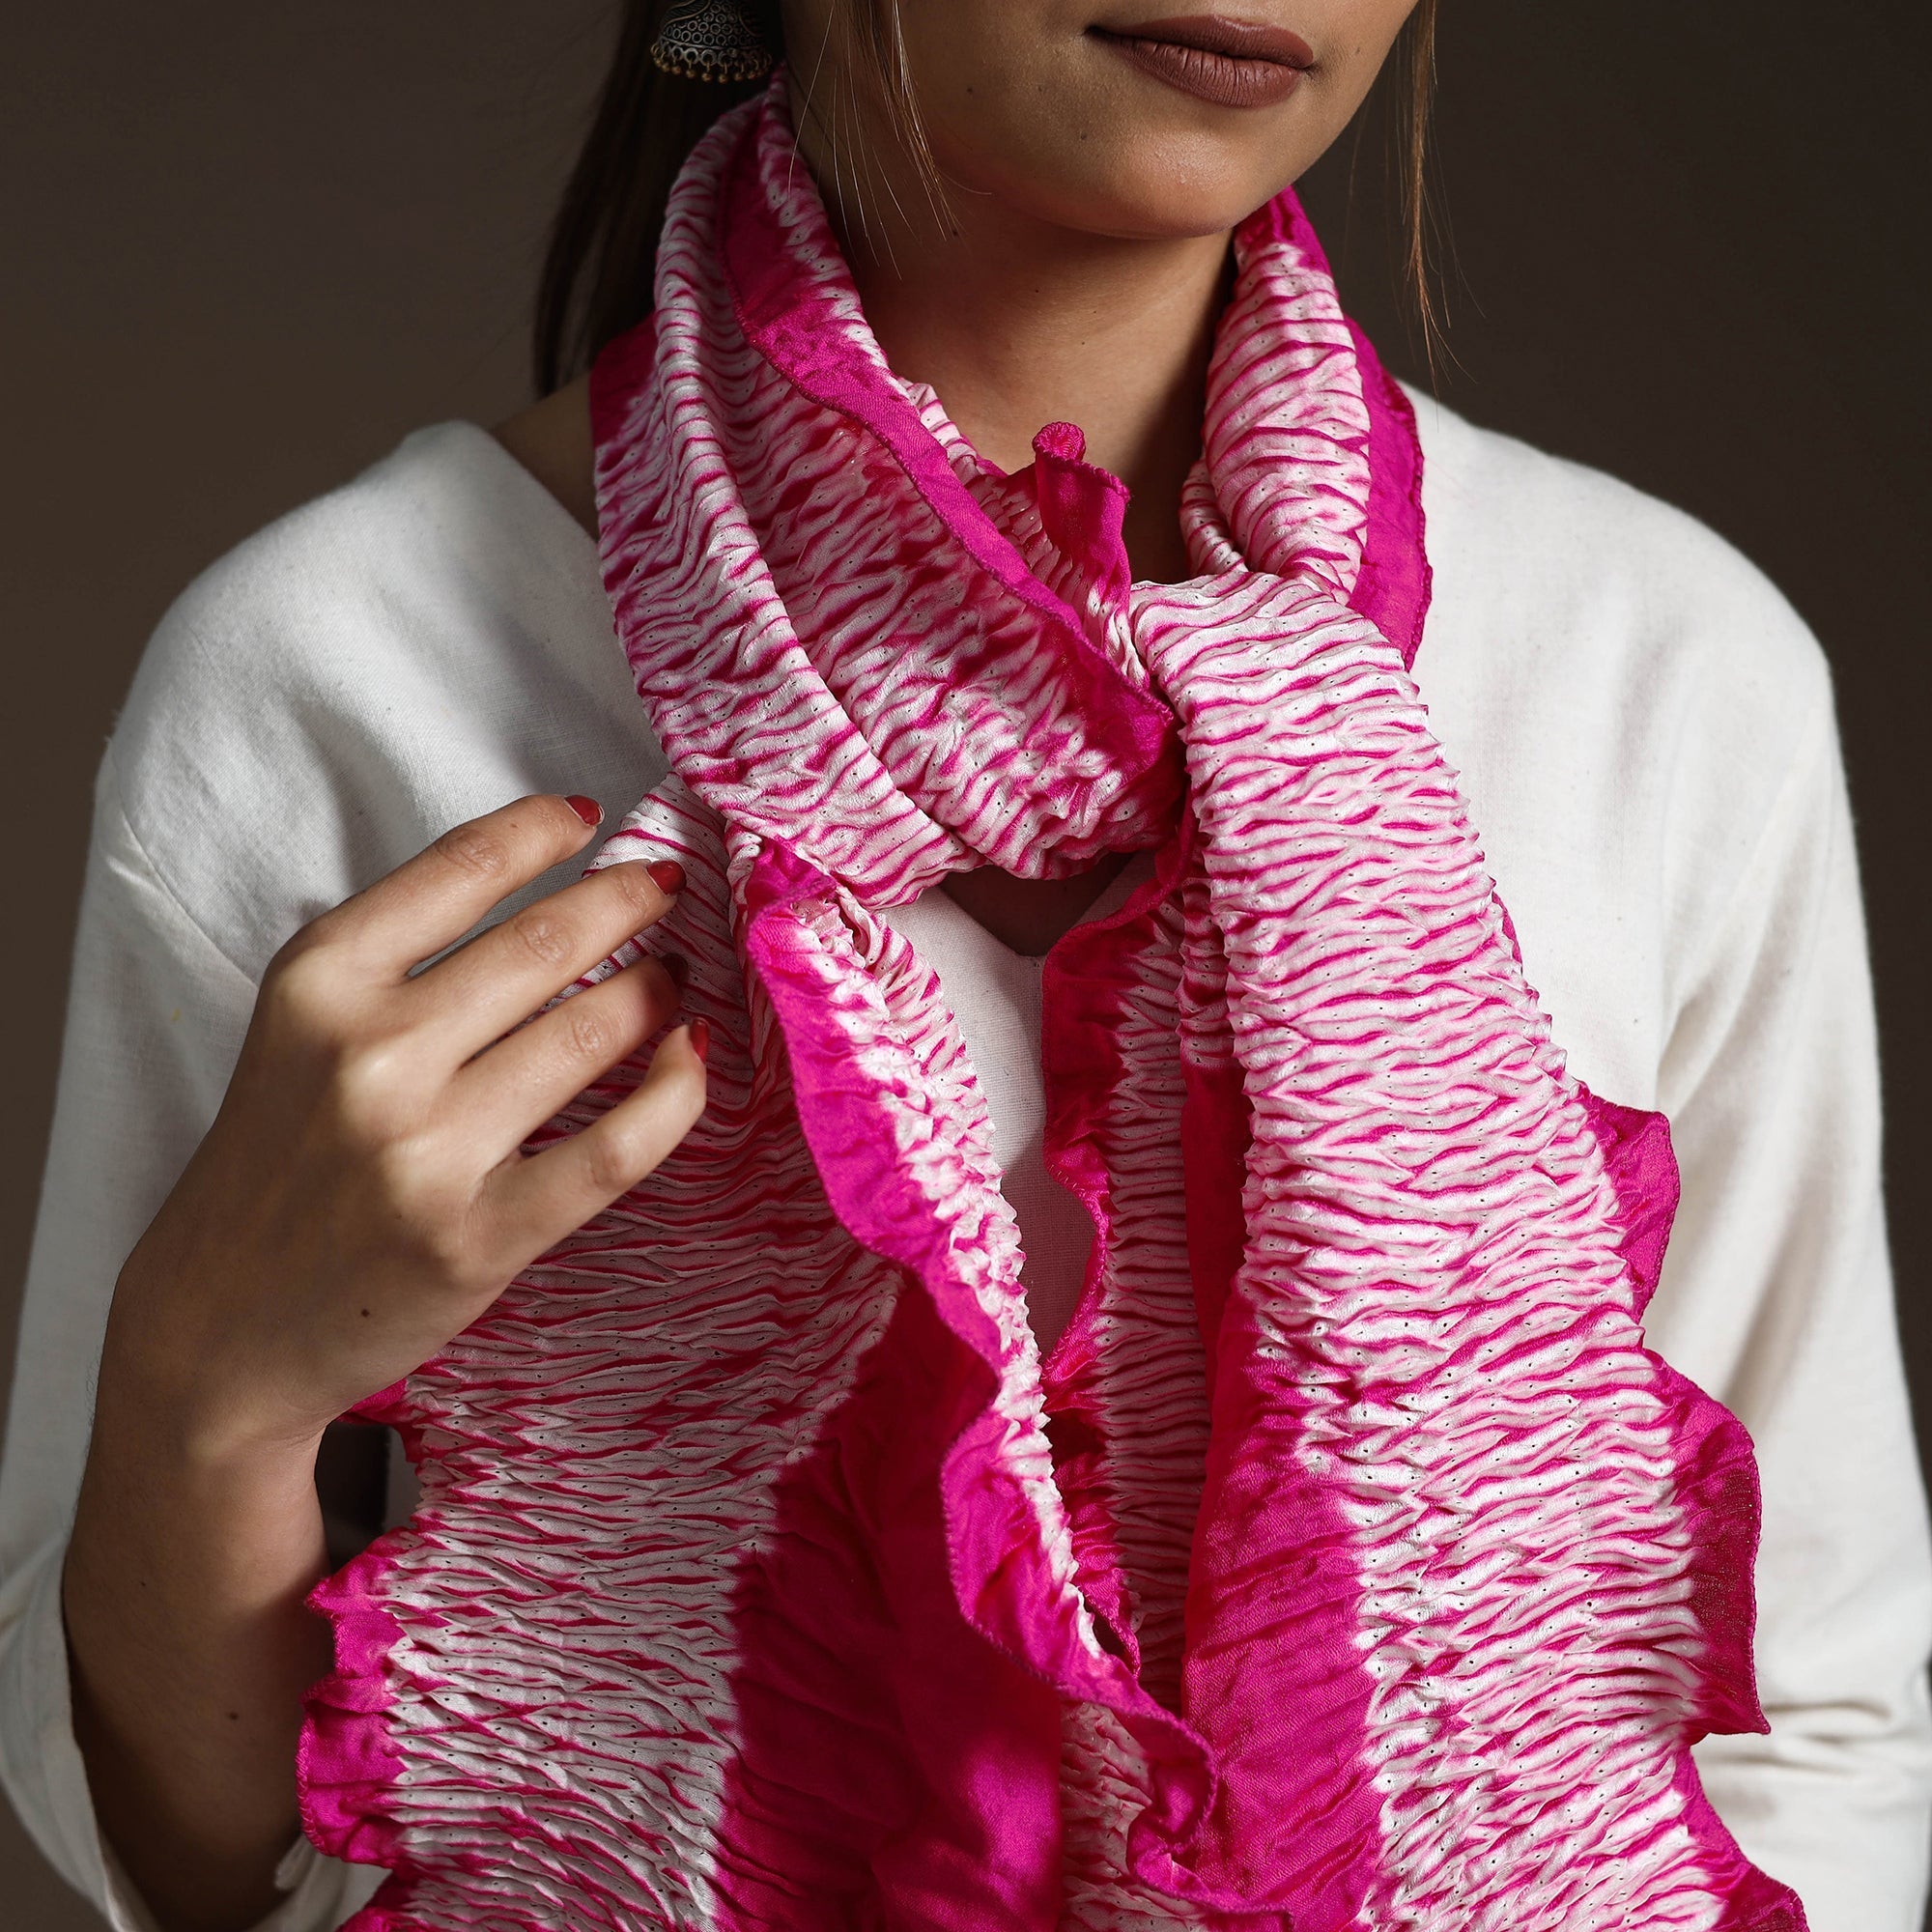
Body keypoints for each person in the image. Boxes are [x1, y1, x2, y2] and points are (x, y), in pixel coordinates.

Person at [3, 3, 1928, 1929]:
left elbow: (1823, 1721)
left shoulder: (1664, 669)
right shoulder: (335, 672)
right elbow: (186, 1866)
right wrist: (206, 1393)